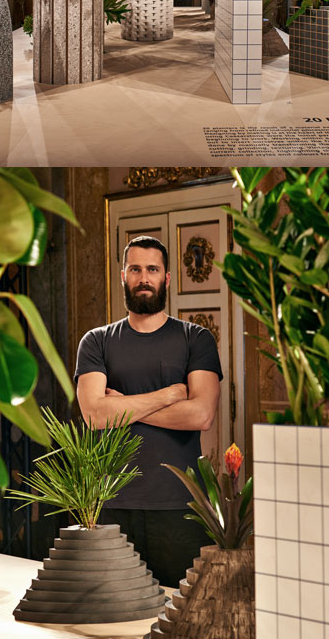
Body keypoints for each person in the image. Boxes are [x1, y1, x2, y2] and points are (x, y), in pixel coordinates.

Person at [74, 235, 222, 587]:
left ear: (167, 278)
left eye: (152, 269)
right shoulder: (96, 341)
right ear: (123, 275)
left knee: (184, 619)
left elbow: (201, 415)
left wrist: (122, 405)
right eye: (136, 269)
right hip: (111, 503)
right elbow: (94, 415)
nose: (144, 278)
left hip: (181, 505)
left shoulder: (195, 339)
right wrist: (170, 395)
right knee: (114, 616)